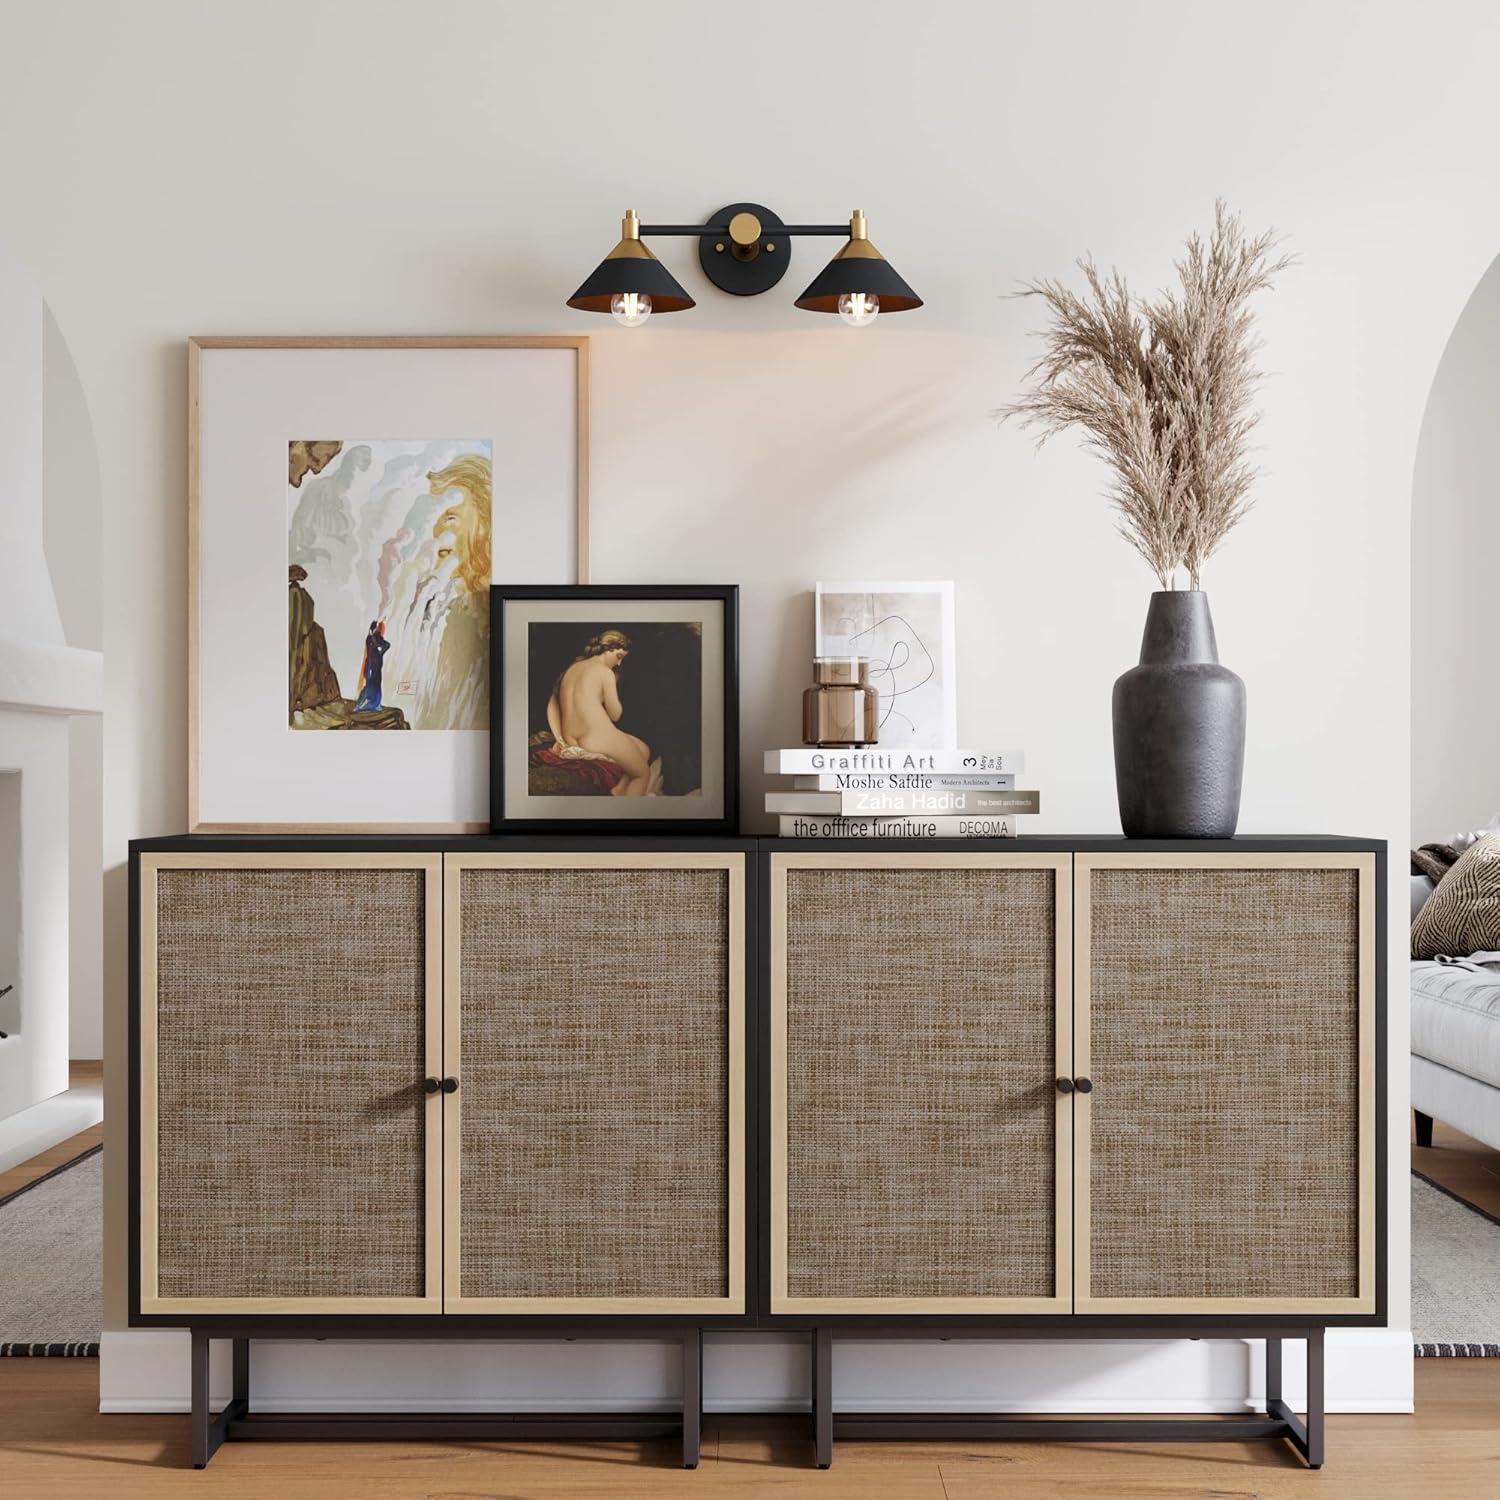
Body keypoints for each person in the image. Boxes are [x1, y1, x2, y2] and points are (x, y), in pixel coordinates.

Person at [546, 629, 654, 796]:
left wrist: (561, 738)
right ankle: (628, 814)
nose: (619, 664)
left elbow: (553, 703)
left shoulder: (573, 667)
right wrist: (611, 693)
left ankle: (619, 790)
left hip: (572, 737)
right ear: (607, 649)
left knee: (644, 749)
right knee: (642, 774)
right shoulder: (605, 672)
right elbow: (615, 715)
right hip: (597, 737)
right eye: (619, 657)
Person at [354, 620, 391, 713]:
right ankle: (370, 705)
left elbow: (382, 646)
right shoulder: (374, 637)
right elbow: (386, 645)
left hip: (372, 665)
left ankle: (370, 705)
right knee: (373, 684)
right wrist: (380, 653)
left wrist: (380, 653)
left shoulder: (370, 637)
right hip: (373, 665)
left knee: (373, 684)